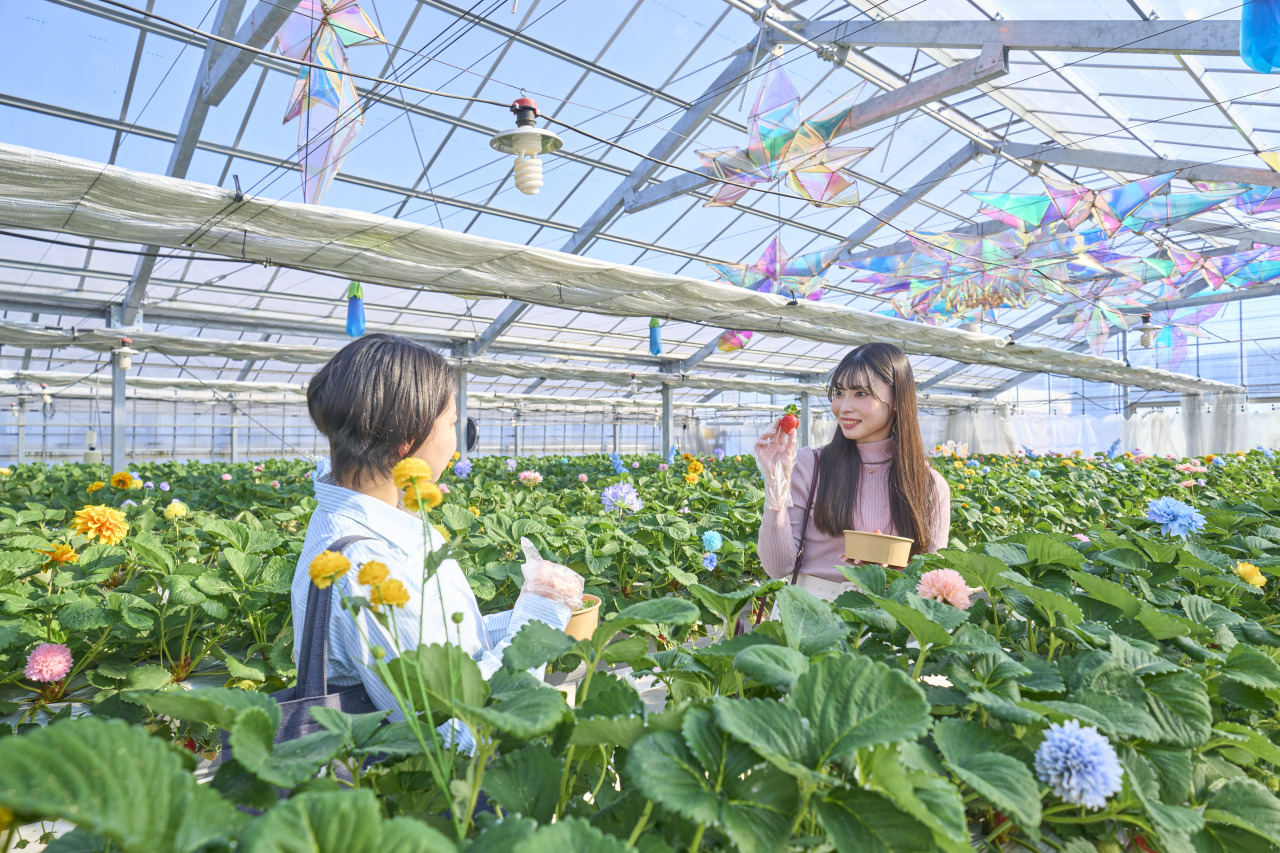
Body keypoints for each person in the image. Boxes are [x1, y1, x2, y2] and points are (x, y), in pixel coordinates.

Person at [293, 333, 581, 748]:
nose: (456, 439)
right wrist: (539, 619)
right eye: (451, 423)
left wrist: (531, 611)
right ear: (407, 443)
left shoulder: (362, 519)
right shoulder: (368, 567)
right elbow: (463, 729)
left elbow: (443, 640)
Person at [755, 342, 951, 601]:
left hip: (886, 617)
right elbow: (777, 567)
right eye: (839, 392)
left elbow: (931, 582)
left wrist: (895, 573)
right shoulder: (811, 464)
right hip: (810, 613)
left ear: (896, 401)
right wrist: (776, 482)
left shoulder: (929, 485)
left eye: (860, 393)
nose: (843, 407)